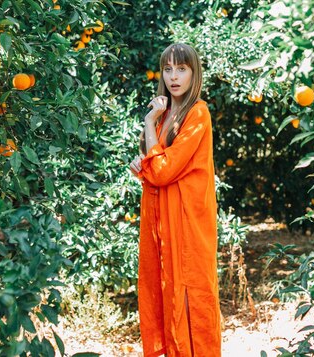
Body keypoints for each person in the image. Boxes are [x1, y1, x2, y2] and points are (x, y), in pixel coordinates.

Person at [129, 43, 221, 356]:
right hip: (162, 220)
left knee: (193, 298)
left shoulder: (198, 113)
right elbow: (154, 167)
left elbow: (165, 169)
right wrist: (141, 165)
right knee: (162, 290)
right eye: (167, 69)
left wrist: (147, 125)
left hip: (188, 220)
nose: (173, 76)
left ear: (194, 73)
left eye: (181, 69)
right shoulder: (165, 114)